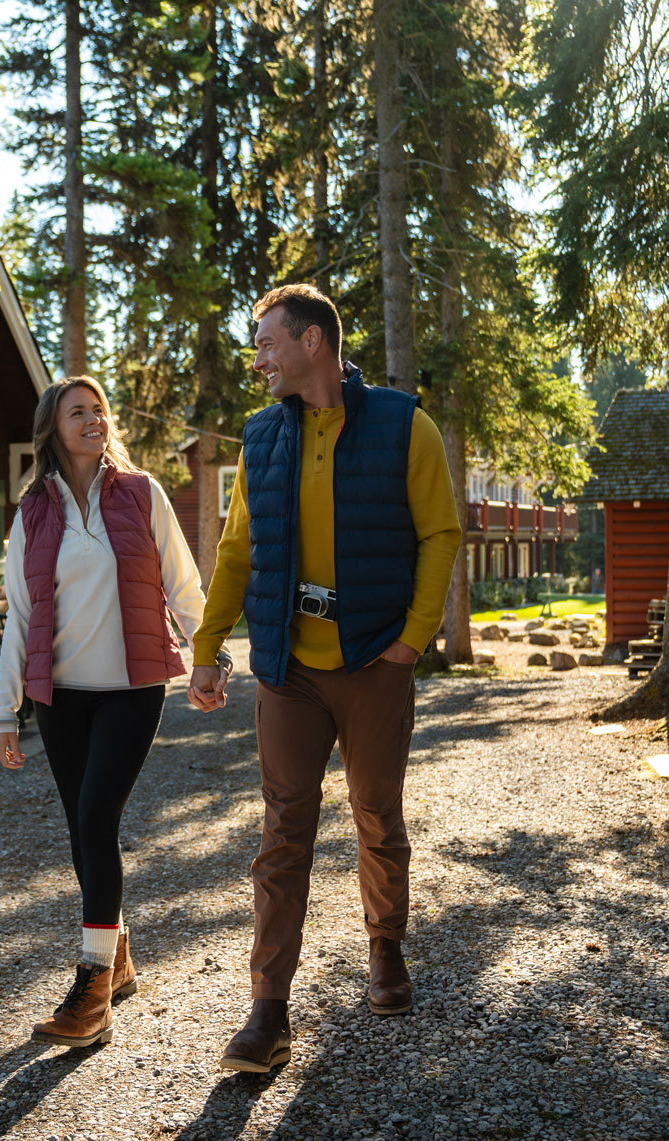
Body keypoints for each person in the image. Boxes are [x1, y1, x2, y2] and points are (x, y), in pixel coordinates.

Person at [187, 284, 462, 1072]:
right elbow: (236, 552)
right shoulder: (260, 437)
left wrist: (412, 639)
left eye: (267, 343)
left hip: (375, 660)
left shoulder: (407, 426)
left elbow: (441, 532)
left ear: (314, 342)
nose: (258, 359)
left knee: (377, 815)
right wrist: (209, 645)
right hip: (288, 668)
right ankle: (268, 1008)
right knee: (283, 833)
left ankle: (386, 948)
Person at [0, 375, 215, 1050]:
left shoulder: (141, 493)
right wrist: (6, 712)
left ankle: (91, 987)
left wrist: (209, 657)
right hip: (61, 695)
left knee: (96, 814)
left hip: (131, 686)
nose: (93, 420)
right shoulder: (33, 510)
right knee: (82, 827)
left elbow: (184, 583)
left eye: (99, 410)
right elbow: (20, 618)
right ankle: (114, 957)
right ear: (52, 430)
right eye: (77, 412)